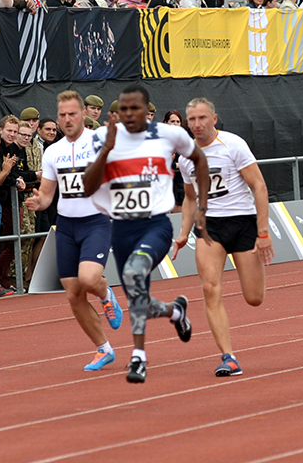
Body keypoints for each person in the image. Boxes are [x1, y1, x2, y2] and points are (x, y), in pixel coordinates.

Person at [83, 84, 212, 383]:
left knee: (133, 272)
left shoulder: (169, 135)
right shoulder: (102, 138)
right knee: (139, 301)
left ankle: (138, 358)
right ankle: (175, 311)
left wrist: (201, 209)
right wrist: (107, 149)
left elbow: (200, 161)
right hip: (122, 230)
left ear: (147, 111)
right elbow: (88, 187)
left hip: (155, 225)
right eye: (123, 109)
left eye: (135, 108)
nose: (129, 114)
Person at [173, 98, 273, 376]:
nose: (197, 124)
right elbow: (190, 198)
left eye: (202, 118)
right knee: (209, 288)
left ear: (214, 119)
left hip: (242, 224)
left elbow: (259, 187)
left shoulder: (234, 146)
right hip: (209, 228)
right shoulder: (186, 157)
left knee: (254, 298)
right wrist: (183, 232)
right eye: (191, 120)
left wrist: (262, 232)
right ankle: (228, 357)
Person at [26, 91, 123, 371]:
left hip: (96, 221)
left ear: (83, 115)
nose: (67, 120)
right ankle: (103, 349)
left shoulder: (100, 139)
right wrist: (38, 202)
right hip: (66, 226)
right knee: (73, 294)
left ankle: (106, 296)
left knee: (90, 278)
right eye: (62, 115)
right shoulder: (52, 151)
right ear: (57, 119)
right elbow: (47, 194)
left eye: (72, 114)